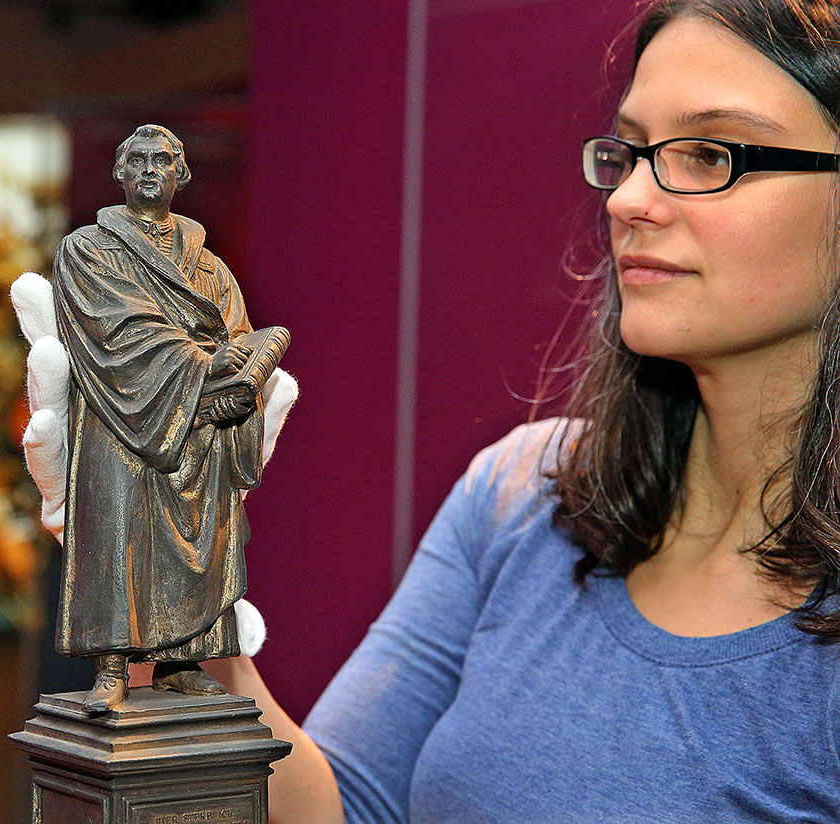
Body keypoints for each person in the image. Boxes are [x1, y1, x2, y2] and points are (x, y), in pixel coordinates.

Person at [189, 1, 840, 821]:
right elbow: (343, 807)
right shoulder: (523, 494)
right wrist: (171, 576)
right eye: (632, 151)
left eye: (711, 154)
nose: (629, 199)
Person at [42, 124, 282, 713]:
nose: (150, 169)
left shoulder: (211, 268)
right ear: (120, 173)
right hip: (121, 417)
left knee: (200, 539)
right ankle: (112, 665)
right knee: (117, 531)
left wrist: (244, 373)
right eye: (139, 159)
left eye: (163, 160)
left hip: (201, 429)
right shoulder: (88, 250)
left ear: (182, 174)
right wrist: (207, 366)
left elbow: (238, 332)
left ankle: (183, 661)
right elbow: (118, 330)